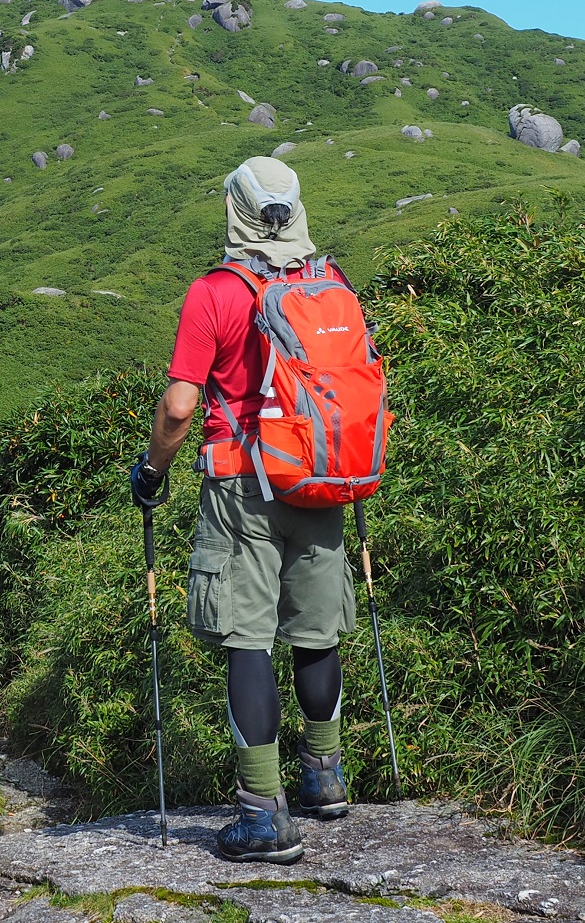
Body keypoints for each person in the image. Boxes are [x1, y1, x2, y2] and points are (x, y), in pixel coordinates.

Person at [131, 155, 355, 864]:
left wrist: (152, 470)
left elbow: (178, 406)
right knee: (318, 630)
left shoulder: (214, 293)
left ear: (233, 210)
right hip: (320, 479)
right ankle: (324, 778)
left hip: (241, 486)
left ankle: (263, 816)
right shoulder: (331, 283)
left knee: (248, 639)